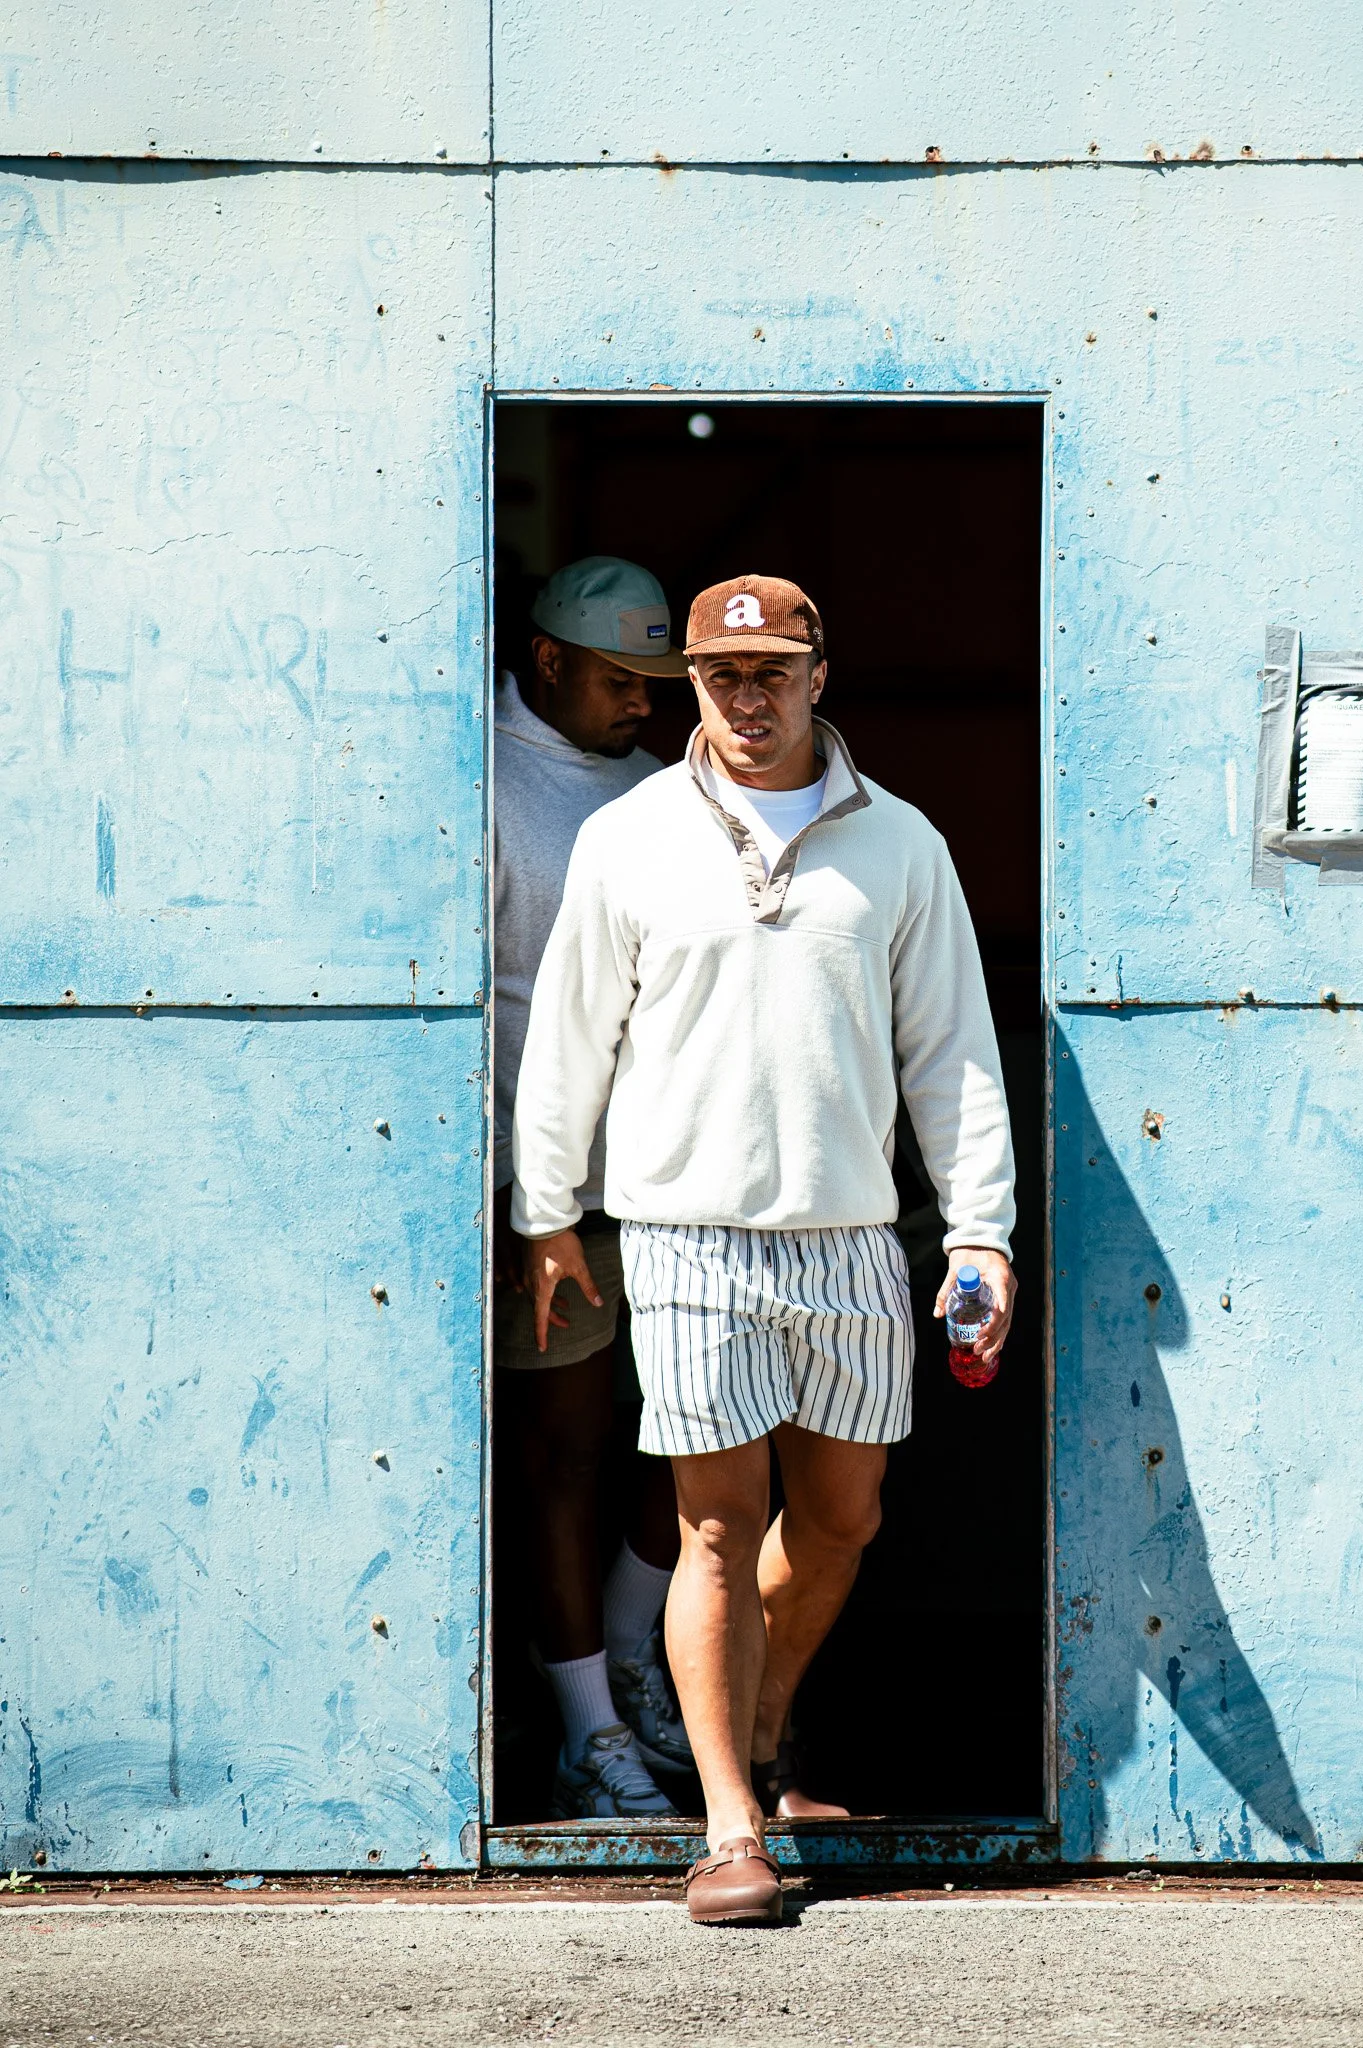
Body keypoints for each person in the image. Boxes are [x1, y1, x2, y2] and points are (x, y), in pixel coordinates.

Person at [512, 574, 1016, 1923]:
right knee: (715, 1529)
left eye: (773, 673)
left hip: (850, 1235)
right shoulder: (631, 838)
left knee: (845, 1521)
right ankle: (732, 1826)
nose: (748, 699)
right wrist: (549, 1212)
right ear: (691, 682)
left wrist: (982, 1234)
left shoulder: (899, 844)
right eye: (721, 677)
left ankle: (754, 1717)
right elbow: (570, 1034)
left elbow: (953, 1052)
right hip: (682, 1235)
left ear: (818, 676)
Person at [493, 554, 696, 1819]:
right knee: (567, 1454)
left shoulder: (661, 796)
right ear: (550, 659)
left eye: (656, 683)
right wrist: (531, 1205)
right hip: (542, 1191)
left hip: (669, 1179)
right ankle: (587, 1730)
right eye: (623, 680)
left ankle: (634, 1659)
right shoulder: (488, 786)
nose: (647, 705)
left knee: (691, 1440)